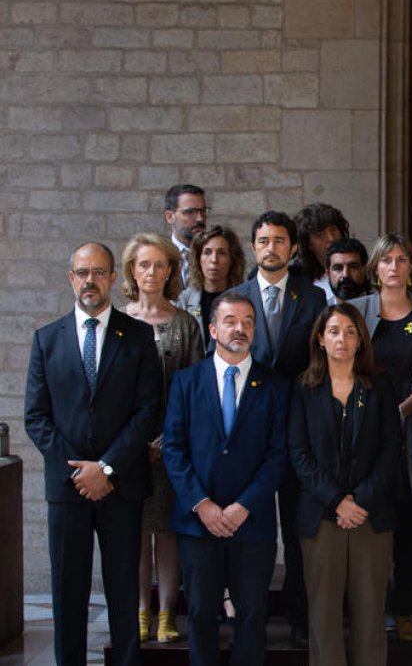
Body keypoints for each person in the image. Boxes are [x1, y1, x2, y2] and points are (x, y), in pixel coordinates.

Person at [25, 242, 162, 666]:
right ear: (71, 279)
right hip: (67, 491)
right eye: (82, 273)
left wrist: (105, 467)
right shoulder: (47, 339)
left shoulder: (137, 336)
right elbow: (36, 416)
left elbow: (147, 410)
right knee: (68, 589)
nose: (90, 281)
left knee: (123, 587)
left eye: (99, 272)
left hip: (120, 485)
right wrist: (79, 473)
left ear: (113, 279)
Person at [161, 290, 289, 666]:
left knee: (251, 614)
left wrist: (242, 506)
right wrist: (202, 505)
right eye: (231, 321)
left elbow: (278, 454)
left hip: (252, 522)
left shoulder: (275, 385)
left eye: (248, 322)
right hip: (198, 522)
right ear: (213, 328)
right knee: (201, 613)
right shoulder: (186, 382)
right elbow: (174, 449)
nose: (241, 329)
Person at [288, 304, 402, 666]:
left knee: (371, 615)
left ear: (360, 341)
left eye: (351, 332)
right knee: (323, 617)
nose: (343, 338)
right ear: (320, 339)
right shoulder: (304, 387)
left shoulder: (380, 384)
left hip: (371, 515)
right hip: (321, 516)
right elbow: (298, 453)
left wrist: (361, 500)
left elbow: (391, 447)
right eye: (334, 331)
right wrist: (338, 501)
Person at [349, 233, 412, 641]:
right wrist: (375, 414)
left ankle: (405, 610)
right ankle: (370, 613)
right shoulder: (355, 310)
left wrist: (406, 407)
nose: (393, 267)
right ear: (375, 269)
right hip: (364, 432)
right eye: (385, 260)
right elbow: (343, 364)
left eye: (401, 260)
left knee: (409, 526)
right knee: (370, 526)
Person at [233, 210, 326, 647]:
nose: (271, 248)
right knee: (248, 522)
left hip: (296, 423)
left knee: (297, 525)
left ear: (292, 249)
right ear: (254, 247)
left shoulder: (313, 299)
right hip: (246, 426)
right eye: (263, 241)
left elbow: (317, 363)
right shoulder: (235, 298)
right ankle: (240, 611)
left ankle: (300, 615)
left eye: (280, 241)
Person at [120, 233, 205, 644]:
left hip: (171, 446)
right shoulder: (117, 322)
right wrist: (132, 441)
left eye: (160, 265)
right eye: (143, 265)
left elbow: (194, 387)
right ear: (131, 271)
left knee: (168, 532)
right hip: (127, 448)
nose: (151, 272)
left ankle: (168, 612)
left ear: (171, 271)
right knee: (136, 533)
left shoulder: (185, 324)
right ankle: (140, 610)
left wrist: (166, 438)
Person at [177, 225, 247, 332]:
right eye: (207, 252)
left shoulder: (245, 299)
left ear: (232, 260)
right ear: (198, 259)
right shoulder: (183, 301)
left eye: (222, 253)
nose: (214, 260)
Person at [293, 202, 350, 303]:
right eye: (320, 235)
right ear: (308, 244)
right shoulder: (298, 281)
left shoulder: (360, 270)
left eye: (333, 230)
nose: (331, 238)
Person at [163, 184, 208, 281]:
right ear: (169, 217)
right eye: (190, 212)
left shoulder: (214, 256)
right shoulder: (160, 255)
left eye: (203, 211)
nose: (200, 218)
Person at [326, 237, 370, 302]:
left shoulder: (382, 309)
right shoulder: (319, 310)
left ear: (365, 271)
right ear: (328, 274)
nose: (345, 275)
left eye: (353, 267)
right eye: (338, 268)